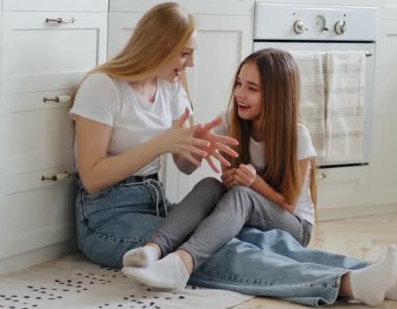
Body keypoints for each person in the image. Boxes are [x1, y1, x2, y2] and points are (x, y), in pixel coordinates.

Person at [71, 1, 397, 308]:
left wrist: (193, 146)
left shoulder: (171, 87)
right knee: (223, 249)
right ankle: (346, 285)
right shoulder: (103, 86)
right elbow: (92, 176)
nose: (191, 63)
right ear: (157, 47)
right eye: (184, 53)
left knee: (261, 240)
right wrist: (164, 142)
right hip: (105, 214)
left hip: (156, 204)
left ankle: (375, 272)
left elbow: (183, 165)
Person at [121, 49, 320, 290]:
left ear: (276, 96)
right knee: (210, 185)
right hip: (251, 207)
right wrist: (195, 143)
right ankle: (152, 249)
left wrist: (253, 183)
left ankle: (182, 263)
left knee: (242, 195)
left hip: (296, 224)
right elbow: (191, 168)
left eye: (252, 89)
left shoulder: (298, 135)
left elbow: (288, 203)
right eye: (239, 84)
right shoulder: (229, 122)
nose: (240, 94)